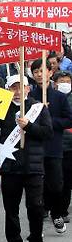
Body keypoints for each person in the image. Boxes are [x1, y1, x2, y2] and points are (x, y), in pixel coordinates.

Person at [0, 75, 53, 242]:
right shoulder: (1, 108)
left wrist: (29, 126)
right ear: (8, 89)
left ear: (29, 89)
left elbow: (47, 132)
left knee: (35, 206)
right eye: (14, 87)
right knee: (10, 208)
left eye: (22, 87)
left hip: (33, 165)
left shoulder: (38, 108)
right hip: (10, 166)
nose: (18, 91)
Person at [30, 58, 72, 233]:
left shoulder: (60, 97)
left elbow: (69, 119)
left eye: (42, 70)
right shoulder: (30, 96)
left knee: (56, 184)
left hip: (54, 147)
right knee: (36, 186)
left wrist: (49, 120)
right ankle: (38, 220)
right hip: (34, 148)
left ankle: (57, 213)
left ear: (50, 72)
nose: (40, 74)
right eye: (36, 72)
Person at [53, 71, 72, 222]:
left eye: (67, 81)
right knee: (52, 180)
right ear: (55, 83)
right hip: (54, 144)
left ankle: (63, 210)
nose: (64, 83)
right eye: (61, 81)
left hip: (69, 147)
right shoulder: (51, 97)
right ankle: (49, 207)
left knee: (66, 180)